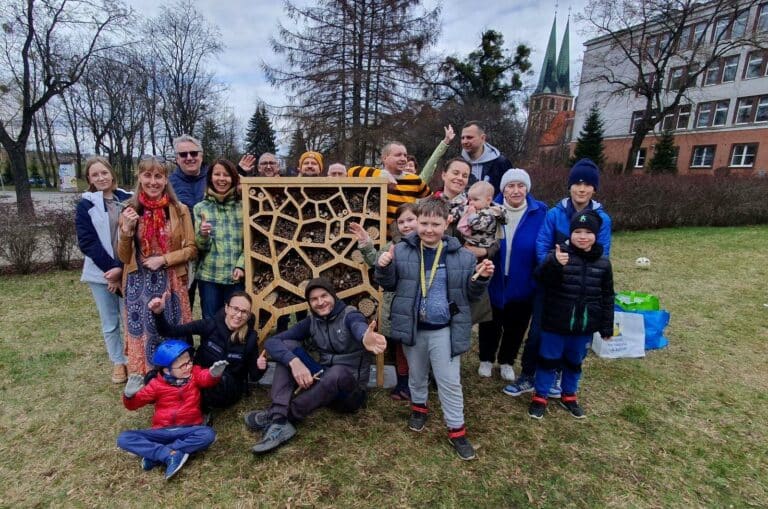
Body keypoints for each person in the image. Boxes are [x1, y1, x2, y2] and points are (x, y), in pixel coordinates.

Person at [375, 198, 495, 461]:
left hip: (444, 330)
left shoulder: (462, 256)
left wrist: (482, 278)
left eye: (436, 224)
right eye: (424, 223)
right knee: (417, 375)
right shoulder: (402, 251)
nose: (429, 230)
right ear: (416, 222)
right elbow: (390, 284)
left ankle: (457, 430)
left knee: (449, 381)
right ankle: (419, 408)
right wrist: (383, 266)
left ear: (447, 223)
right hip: (414, 328)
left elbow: (471, 294)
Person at [503, 158, 612, 398]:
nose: (581, 189)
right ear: (570, 186)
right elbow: (541, 245)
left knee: (573, 333)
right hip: (552, 285)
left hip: (581, 288)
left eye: (587, 184)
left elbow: (602, 254)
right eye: (577, 183)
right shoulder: (555, 213)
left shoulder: (603, 219)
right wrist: (554, 264)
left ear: (594, 188)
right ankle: (528, 375)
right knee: (538, 332)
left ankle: (559, 376)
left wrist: (574, 267)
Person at [245, 278, 386, 454]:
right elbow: (273, 342)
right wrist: (294, 362)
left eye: (324, 296)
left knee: (337, 372)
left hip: (350, 392)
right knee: (288, 347)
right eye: (314, 299)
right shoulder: (312, 321)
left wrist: (365, 336)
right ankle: (279, 418)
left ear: (333, 296)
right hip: (324, 379)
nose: (320, 302)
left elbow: (358, 326)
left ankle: (284, 415)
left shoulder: (350, 315)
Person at [528, 210, 614, 420]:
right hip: (555, 322)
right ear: (570, 233)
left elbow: (607, 296)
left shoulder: (603, 263)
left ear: (596, 235)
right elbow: (540, 278)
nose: (582, 236)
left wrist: (606, 326)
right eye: (577, 231)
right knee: (548, 359)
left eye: (587, 232)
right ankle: (540, 395)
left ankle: (569, 394)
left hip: (583, 326)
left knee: (574, 361)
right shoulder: (559, 254)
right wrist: (555, 263)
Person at [118, 156, 197, 375]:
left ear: (165, 180)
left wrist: (163, 259)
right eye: (148, 175)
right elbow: (124, 257)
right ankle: (147, 375)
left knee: (171, 329)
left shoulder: (179, 209)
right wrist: (127, 231)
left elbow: (191, 249)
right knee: (144, 332)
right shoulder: (129, 210)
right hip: (138, 283)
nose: (153, 181)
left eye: (158, 176)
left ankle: (176, 374)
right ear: (139, 177)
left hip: (171, 280)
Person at [116, 339, 226, 480]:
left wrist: (213, 374)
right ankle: (170, 454)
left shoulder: (194, 375)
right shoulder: (156, 385)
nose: (188, 367)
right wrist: (129, 396)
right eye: (182, 366)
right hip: (161, 432)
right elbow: (133, 405)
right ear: (167, 369)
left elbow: (205, 378)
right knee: (124, 438)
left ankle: (158, 455)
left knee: (208, 434)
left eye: (189, 362)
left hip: (189, 429)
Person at [477, 169, 546, 381]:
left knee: (517, 324)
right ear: (503, 189)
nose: (515, 191)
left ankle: (507, 361)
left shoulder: (540, 211)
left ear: (527, 188)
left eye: (520, 186)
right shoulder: (491, 209)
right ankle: (486, 359)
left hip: (524, 277)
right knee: (490, 321)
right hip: (494, 276)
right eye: (510, 186)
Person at [148, 290, 266, 412]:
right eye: (235, 308)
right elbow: (170, 331)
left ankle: (184, 400)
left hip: (225, 387)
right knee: (161, 373)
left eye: (244, 312)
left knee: (212, 384)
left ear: (249, 315)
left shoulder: (250, 337)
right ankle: (168, 394)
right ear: (226, 308)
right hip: (198, 376)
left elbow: (254, 376)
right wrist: (159, 313)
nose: (239, 315)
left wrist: (261, 367)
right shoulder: (210, 324)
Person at [349, 202, 419, 401]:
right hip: (398, 307)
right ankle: (404, 383)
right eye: (401, 221)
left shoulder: (428, 243)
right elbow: (376, 259)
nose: (406, 225)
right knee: (401, 346)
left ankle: (420, 381)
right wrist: (365, 241)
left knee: (418, 346)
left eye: (410, 220)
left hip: (419, 307)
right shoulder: (395, 246)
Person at [75, 156, 132, 383]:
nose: (101, 178)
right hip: (102, 274)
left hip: (127, 270)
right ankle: (118, 362)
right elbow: (88, 242)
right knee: (110, 321)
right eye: (95, 174)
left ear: (112, 173)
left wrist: (121, 269)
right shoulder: (86, 204)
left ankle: (132, 359)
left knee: (130, 319)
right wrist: (111, 270)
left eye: (104, 173)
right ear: (89, 179)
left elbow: (134, 236)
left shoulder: (127, 199)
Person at [192, 159, 245, 319]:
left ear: (233, 179)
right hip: (209, 278)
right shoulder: (200, 208)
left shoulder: (243, 206)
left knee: (236, 319)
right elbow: (200, 247)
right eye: (217, 174)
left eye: (226, 175)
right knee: (211, 321)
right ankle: (208, 345)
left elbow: (251, 242)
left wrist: (242, 266)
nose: (221, 179)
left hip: (235, 278)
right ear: (210, 178)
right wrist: (203, 234)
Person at [347, 141, 430, 228]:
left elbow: (430, 201)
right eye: (398, 155)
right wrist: (382, 175)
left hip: (406, 235)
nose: (403, 159)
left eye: (405, 155)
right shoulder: (375, 176)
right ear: (384, 158)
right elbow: (351, 172)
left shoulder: (415, 180)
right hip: (379, 235)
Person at [460, 121, 513, 193]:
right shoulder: (458, 163)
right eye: (462, 138)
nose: (464, 141)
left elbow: (510, 190)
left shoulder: (501, 163)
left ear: (483, 138)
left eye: (469, 137)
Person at [457, 181, 505, 249]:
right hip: (469, 243)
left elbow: (477, 226)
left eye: (475, 200)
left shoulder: (490, 215)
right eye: (470, 200)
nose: (471, 203)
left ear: (488, 200)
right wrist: (452, 216)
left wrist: (472, 215)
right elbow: (460, 210)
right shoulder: (474, 208)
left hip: (481, 246)